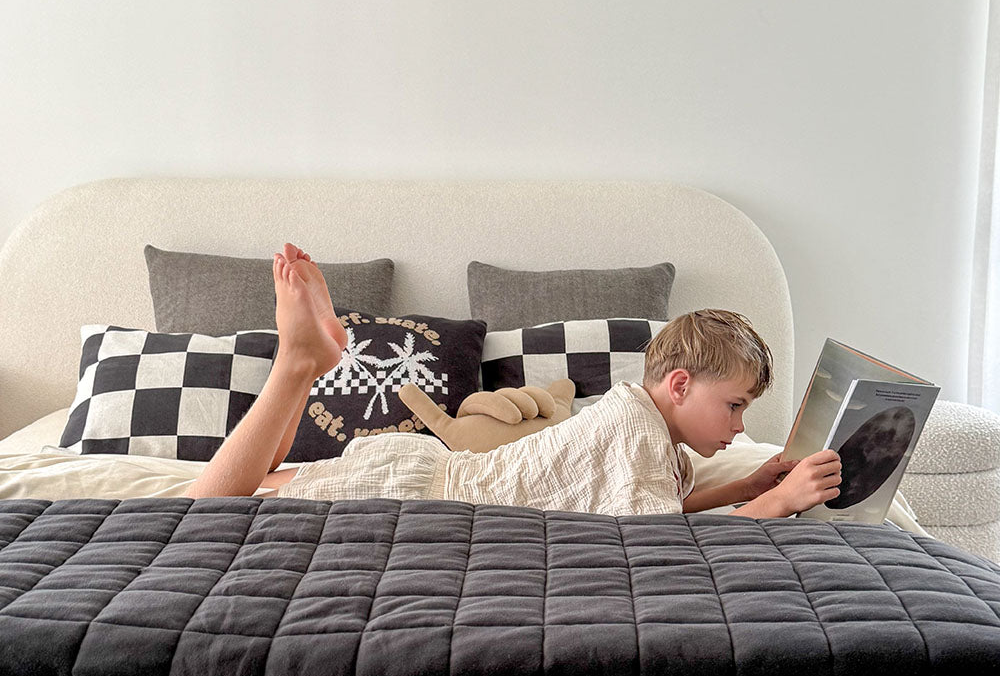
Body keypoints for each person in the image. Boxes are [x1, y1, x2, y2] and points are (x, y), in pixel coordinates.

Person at [186, 244, 842, 517]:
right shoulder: (635, 426)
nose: (740, 428)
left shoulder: (656, 439)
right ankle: (297, 361)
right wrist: (773, 506)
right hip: (415, 492)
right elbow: (658, 540)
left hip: (426, 475)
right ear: (678, 385)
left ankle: (302, 363)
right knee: (204, 507)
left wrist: (747, 484)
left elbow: (647, 505)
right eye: (733, 406)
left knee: (253, 485)